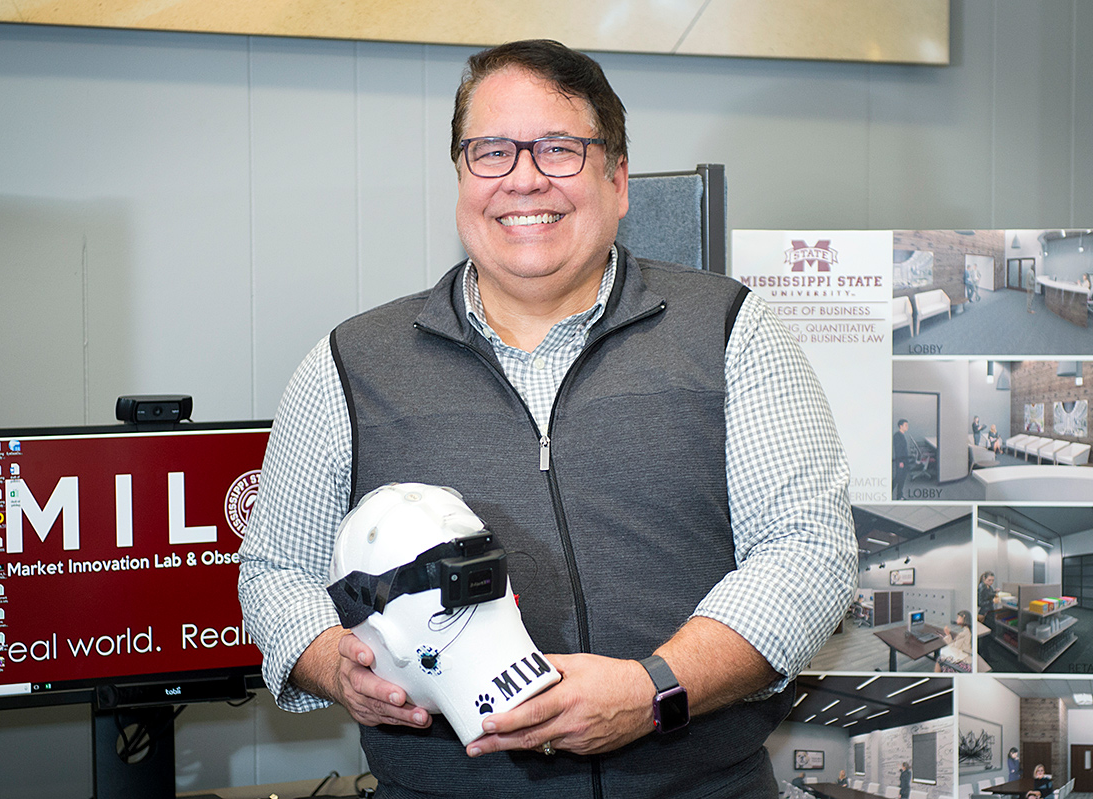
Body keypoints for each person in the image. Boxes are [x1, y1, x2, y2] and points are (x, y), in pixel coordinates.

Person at [238, 39, 856, 799]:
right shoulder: (350, 363)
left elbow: (808, 551)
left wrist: (653, 687)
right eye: (491, 151)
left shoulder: (731, 331)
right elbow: (275, 572)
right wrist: (335, 661)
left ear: (618, 178)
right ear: (463, 177)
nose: (523, 179)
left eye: (559, 149)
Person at [893, 419, 910, 500]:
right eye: (905, 425)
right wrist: (900, 462)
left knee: (901, 479)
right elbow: (898, 450)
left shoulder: (901, 435)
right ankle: (889, 493)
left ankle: (899, 496)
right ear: (901, 426)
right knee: (898, 478)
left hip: (904, 460)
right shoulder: (897, 436)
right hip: (901, 461)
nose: (907, 427)